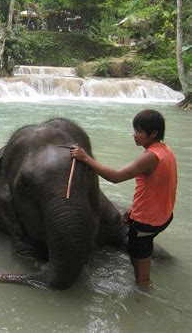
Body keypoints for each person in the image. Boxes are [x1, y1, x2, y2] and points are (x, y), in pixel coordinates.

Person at [70, 109, 177, 289]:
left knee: (142, 276)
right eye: (135, 130)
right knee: (140, 249)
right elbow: (156, 187)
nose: (134, 135)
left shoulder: (150, 157)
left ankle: (142, 299)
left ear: (153, 134)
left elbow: (116, 177)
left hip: (147, 223)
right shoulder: (165, 151)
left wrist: (85, 158)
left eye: (139, 131)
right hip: (163, 215)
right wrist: (134, 210)